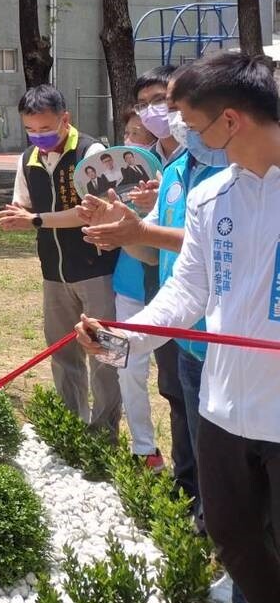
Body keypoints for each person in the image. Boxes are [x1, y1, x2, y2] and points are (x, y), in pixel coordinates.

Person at [77, 51, 280, 603]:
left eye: (192, 125)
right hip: (224, 408)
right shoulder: (210, 199)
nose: (185, 135)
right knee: (232, 538)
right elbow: (187, 293)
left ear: (231, 121)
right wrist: (125, 339)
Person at [0, 85, 121, 438]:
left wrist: (36, 220)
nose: (39, 137)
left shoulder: (91, 152)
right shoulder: (28, 159)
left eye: (46, 128)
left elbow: (89, 214)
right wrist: (19, 215)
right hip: (53, 272)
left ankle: (105, 434)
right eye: (31, 130)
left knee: (106, 352)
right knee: (62, 351)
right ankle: (71, 427)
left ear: (65, 120)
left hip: (97, 269)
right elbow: (24, 205)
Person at [110, 111, 164, 471]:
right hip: (126, 287)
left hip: (169, 292)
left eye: (139, 134)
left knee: (179, 381)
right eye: (127, 132)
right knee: (124, 367)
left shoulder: (174, 177)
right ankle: (143, 448)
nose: (131, 141)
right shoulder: (119, 181)